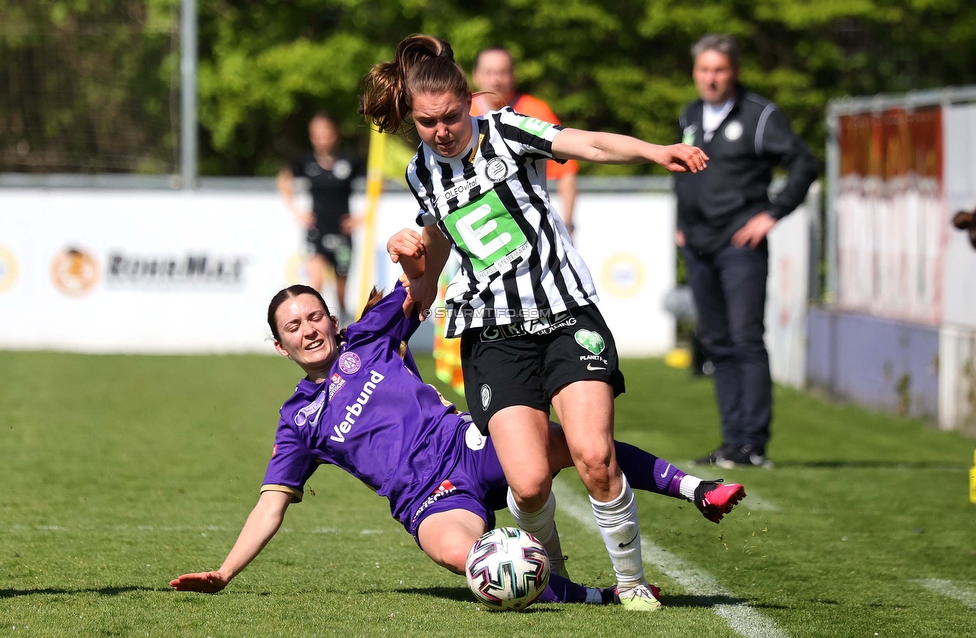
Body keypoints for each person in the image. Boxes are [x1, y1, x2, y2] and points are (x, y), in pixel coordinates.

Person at [358, 34, 709, 611]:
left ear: (469, 100)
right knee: (525, 482)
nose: (441, 131)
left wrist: (652, 151)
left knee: (595, 457)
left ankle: (630, 583)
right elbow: (443, 242)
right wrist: (416, 277)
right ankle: (553, 581)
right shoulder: (422, 173)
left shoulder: (507, 130)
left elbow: (585, 142)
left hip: (565, 314)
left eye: (449, 117)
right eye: (426, 123)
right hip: (492, 333)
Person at [168, 281, 747, 604]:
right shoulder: (298, 420)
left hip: (470, 443)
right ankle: (597, 598)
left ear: (334, 320)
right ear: (280, 346)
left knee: (580, 443)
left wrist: (419, 243)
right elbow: (271, 504)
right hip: (428, 501)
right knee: (483, 565)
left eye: (315, 317)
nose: (309, 330)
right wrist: (223, 573)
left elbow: (425, 274)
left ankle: (698, 489)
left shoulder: (368, 338)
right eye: (293, 327)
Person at [675, 34, 818, 469]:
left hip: (740, 246)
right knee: (716, 342)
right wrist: (681, 226)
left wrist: (771, 213)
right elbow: (681, 171)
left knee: (745, 338)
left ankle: (752, 444)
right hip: (699, 246)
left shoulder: (759, 116)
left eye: (719, 70)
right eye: (704, 70)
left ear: (733, 71)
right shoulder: (690, 114)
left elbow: (804, 163)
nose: (711, 78)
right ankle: (731, 441)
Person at [470, 48, 579, 235]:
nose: (496, 80)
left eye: (502, 73)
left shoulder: (535, 111)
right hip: (474, 226)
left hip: (528, 225)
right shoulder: (461, 114)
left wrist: (568, 225)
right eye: (489, 73)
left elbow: (566, 173)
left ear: (513, 76)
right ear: (475, 76)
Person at [277, 112, 365, 323]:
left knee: (341, 293)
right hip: (316, 232)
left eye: (326, 133)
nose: (322, 138)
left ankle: (344, 328)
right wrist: (296, 210)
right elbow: (283, 179)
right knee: (315, 284)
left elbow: (376, 183)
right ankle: (315, 327)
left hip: (342, 234)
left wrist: (361, 217)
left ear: (335, 134)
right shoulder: (306, 162)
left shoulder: (349, 162)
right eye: (317, 134)